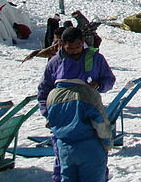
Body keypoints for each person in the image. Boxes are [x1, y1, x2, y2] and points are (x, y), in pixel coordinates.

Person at [38, 27, 115, 182]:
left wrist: (99, 85)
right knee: (63, 169)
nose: (74, 51)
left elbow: (109, 79)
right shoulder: (55, 62)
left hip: (88, 119)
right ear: (61, 44)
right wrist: (49, 114)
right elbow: (44, 90)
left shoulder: (95, 58)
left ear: (83, 43)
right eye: (70, 48)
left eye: (77, 47)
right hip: (62, 123)